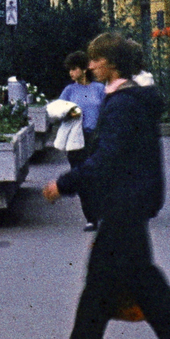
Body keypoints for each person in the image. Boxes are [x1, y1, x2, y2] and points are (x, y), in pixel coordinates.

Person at [43, 32, 170, 339]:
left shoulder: (123, 104)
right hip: (129, 199)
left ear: (113, 63)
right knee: (101, 276)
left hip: (125, 200)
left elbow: (108, 158)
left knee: (141, 279)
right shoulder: (129, 98)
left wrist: (64, 183)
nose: (90, 65)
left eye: (96, 59)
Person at [61, 50, 109, 222]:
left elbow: (107, 110)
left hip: (96, 137)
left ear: (83, 69)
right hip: (76, 139)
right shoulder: (69, 90)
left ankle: (103, 210)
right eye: (69, 70)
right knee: (81, 176)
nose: (71, 73)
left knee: (99, 175)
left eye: (74, 69)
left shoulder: (99, 88)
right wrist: (68, 114)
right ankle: (90, 217)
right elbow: (58, 112)